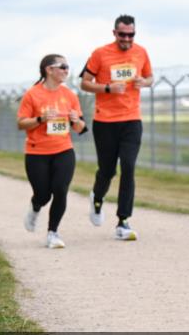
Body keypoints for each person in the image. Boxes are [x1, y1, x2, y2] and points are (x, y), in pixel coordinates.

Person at [79, 14, 154, 240]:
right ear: (114, 33)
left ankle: (123, 221)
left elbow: (150, 77)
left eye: (131, 35)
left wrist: (144, 82)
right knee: (108, 170)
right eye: (122, 34)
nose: (127, 39)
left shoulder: (141, 52)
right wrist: (108, 89)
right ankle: (97, 198)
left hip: (132, 119)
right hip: (105, 121)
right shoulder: (100, 53)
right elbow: (84, 82)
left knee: (129, 167)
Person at [17, 54, 87, 249]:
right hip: (36, 152)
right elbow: (21, 124)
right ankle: (35, 206)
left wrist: (76, 120)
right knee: (43, 194)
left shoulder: (70, 95)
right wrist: (40, 119)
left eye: (67, 67)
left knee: (60, 190)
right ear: (49, 69)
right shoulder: (32, 94)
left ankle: (53, 233)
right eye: (62, 66)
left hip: (63, 150)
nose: (66, 70)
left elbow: (81, 129)